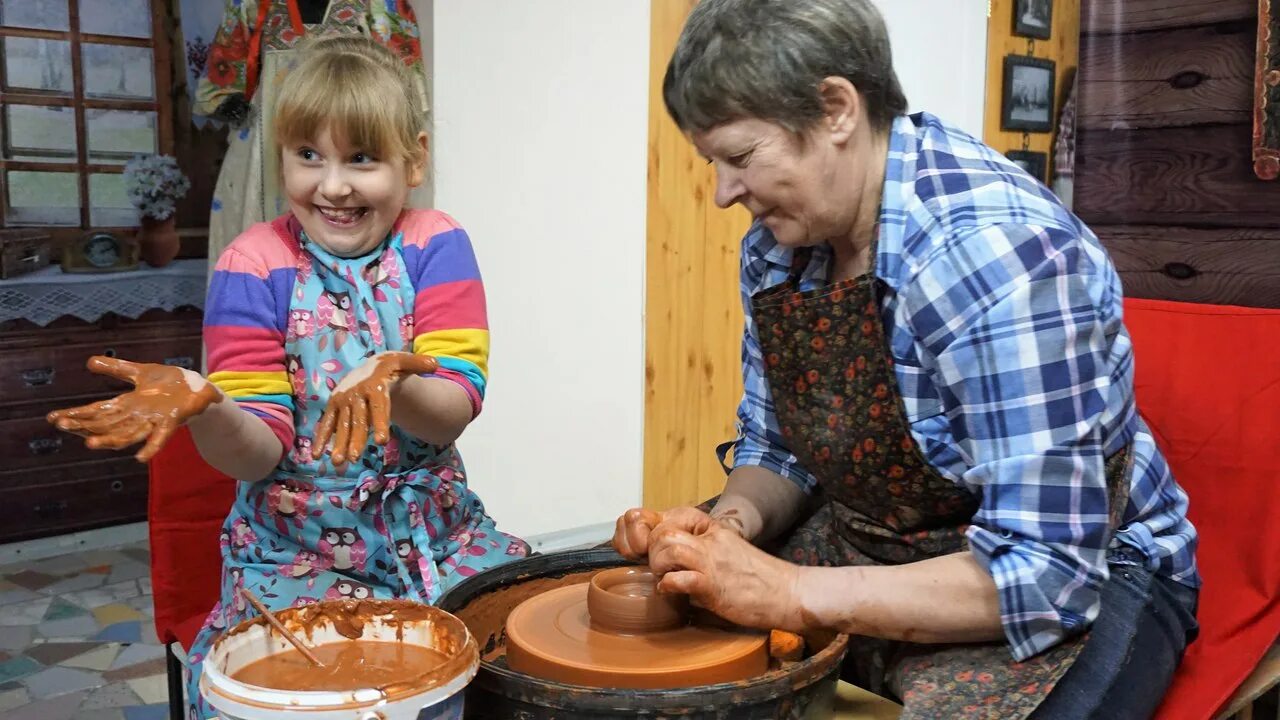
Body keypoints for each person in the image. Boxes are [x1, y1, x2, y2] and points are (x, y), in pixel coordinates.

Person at [613, 1, 1199, 718]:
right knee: (671, 629)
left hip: (1080, 566)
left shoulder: (995, 256)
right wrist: (729, 529)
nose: (723, 192)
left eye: (740, 157)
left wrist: (789, 592)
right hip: (876, 530)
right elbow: (778, 447)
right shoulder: (777, 247)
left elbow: (1048, 571)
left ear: (835, 110)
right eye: (714, 163)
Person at [48, 35, 526, 719]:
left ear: (412, 159)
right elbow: (259, 447)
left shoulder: (435, 244)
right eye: (309, 155)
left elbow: (454, 406)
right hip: (294, 559)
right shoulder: (253, 263)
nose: (332, 185)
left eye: (361, 157)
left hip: (437, 539)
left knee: (523, 659)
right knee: (301, 697)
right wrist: (207, 407)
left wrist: (396, 378)